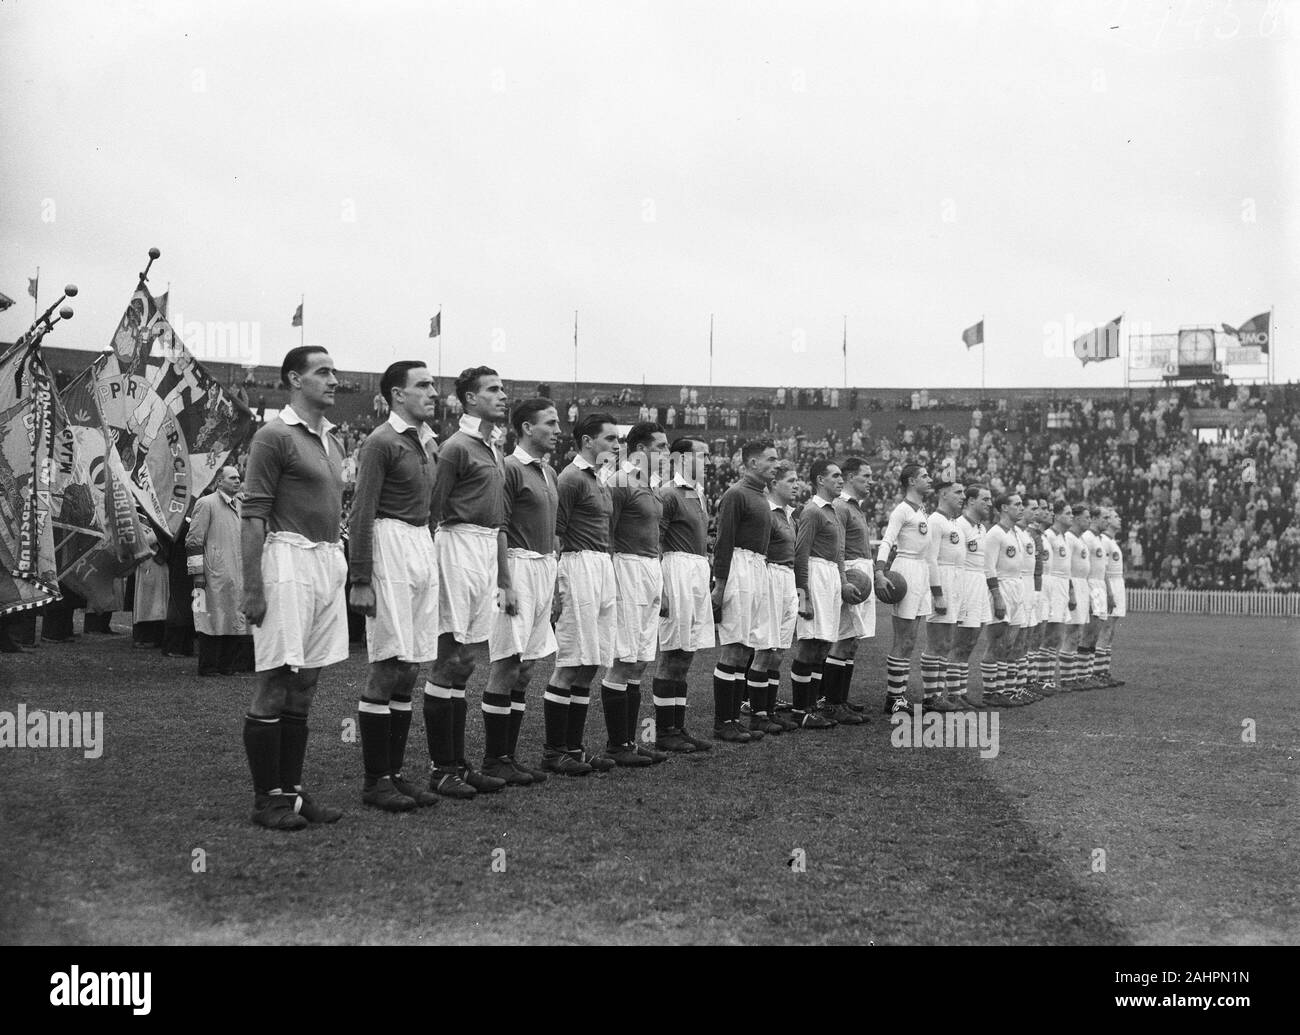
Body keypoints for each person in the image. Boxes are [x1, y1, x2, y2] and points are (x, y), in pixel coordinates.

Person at [239, 346, 348, 831]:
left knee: (306, 685)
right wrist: (252, 588)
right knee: (276, 680)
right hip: (286, 560)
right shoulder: (273, 435)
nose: (333, 380)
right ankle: (268, 800)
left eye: (334, 371)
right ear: (294, 380)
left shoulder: (333, 442)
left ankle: (292, 792)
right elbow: (253, 515)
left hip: (327, 561)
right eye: (322, 372)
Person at [346, 361, 442, 812]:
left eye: (433, 385)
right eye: (423, 385)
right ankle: (375, 780)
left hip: (420, 544)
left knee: (411, 667)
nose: (433, 392)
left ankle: (397, 774)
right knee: (388, 663)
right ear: (397, 395)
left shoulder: (428, 443)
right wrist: (361, 578)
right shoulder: (381, 441)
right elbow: (361, 512)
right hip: (389, 545)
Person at [424, 365, 511, 798]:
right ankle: (442, 768)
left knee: (468, 661)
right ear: (469, 400)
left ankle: (458, 763)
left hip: (483, 550)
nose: (502, 396)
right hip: (456, 545)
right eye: (493, 390)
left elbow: (496, 520)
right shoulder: (455, 447)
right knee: (449, 656)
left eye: (502, 389)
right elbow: (433, 509)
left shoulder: (493, 447)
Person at [484, 398, 562, 781]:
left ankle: (509, 757)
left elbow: (553, 535)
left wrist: (556, 584)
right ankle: (494, 759)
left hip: (544, 569)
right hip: (517, 568)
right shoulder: (510, 468)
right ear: (527, 428)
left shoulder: (548, 472)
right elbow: (499, 527)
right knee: (507, 663)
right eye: (550, 423)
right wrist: (504, 582)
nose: (558, 430)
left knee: (527, 668)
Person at [542, 412, 621, 775]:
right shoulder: (570, 478)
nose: (617, 447)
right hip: (577, 567)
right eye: (609, 440)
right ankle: (554, 751)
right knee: (571, 660)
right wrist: (557, 586)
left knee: (591, 661)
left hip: (602, 567)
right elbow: (556, 534)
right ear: (588, 441)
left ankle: (575, 748)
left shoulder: (601, 479)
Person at [601, 422, 670, 766]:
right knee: (623, 659)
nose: (666, 454)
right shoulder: (618, 482)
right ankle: (617, 745)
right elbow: (607, 535)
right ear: (639, 449)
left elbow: (654, 536)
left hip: (649, 569)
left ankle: (633, 741)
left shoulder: (652, 486)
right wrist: (611, 580)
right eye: (659, 447)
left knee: (642, 660)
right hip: (625, 568)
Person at [710, 440, 777, 742]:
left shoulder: (760, 495)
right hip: (738, 567)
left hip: (757, 567)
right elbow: (723, 542)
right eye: (771, 459)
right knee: (734, 646)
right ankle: (723, 722)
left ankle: (735, 718)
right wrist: (720, 585)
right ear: (752, 463)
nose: (776, 464)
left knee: (746, 647)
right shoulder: (736, 494)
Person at [653, 437, 715, 753]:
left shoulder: (698, 494)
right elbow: (657, 542)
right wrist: (661, 588)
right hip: (675, 570)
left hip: (697, 572)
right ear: (681, 458)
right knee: (671, 651)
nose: (708, 461)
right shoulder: (668, 494)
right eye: (702, 455)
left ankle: (678, 727)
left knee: (687, 652)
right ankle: (663, 732)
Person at [875, 463, 942, 713]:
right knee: (903, 638)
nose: (930, 478)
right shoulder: (901, 510)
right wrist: (880, 571)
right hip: (906, 570)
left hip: (922, 572)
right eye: (924, 476)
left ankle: (898, 696)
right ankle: (893, 699)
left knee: (912, 638)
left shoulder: (922, 510)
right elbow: (886, 541)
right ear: (911, 481)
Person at [790, 458, 847, 729]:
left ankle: (812, 707)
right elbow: (800, 555)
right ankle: (801, 710)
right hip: (815, 575)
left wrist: (842, 581)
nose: (840, 480)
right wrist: (804, 595)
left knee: (823, 644)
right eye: (835, 476)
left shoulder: (833, 511)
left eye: (841, 476)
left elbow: (839, 553)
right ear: (820, 480)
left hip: (831, 578)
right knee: (810, 643)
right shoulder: (812, 511)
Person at [748, 461, 801, 734]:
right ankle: (757, 714)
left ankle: (768, 711)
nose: (797, 485)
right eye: (791, 481)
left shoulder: (789, 514)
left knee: (778, 652)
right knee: (764, 649)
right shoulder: (766, 513)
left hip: (788, 579)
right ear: (773, 484)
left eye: (797, 480)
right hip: (769, 575)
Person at [186, 465, 251, 676]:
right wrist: (197, 574)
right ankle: (208, 666)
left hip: (236, 575)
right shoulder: (206, 504)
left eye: (239, 478)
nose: (237, 481)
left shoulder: (241, 506)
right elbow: (194, 541)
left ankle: (227, 666)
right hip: (212, 574)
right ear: (219, 481)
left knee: (233, 618)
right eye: (232, 477)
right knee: (209, 619)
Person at [825, 457, 876, 722]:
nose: (871, 481)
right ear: (849, 478)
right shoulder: (841, 507)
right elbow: (839, 548)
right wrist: (844, 579)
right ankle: (831, 702)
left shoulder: (857, 507)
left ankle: (840, 700)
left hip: (862, 573)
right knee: (844, 638)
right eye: (865, 477)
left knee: (853, 641)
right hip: (851, 575)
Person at [924, 478, 966, 707]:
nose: (962, 496)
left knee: (946, 642)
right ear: (943, 494)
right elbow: (930, 559)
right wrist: (937, 593)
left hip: (956, 582)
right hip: (942, 582)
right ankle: (931, 697)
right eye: (957, 492)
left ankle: (938, 694)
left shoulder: (955, 523)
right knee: (937, 642)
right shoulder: (935, 521)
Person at [951, 484, 992, 708]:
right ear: (970, 501)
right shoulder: (959, 526)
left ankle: (961, 691)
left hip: (979, 584)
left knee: (972, 640)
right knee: (961, 640)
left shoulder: (982, 528)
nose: (989, 503)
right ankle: (952, 694)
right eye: (985, 499)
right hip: (965, 583)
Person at [1098, 508, 1127, 687]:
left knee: (1111, 630)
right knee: (1105, 628)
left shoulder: (1112, 541)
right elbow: (1104, 570)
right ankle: (1097, 671)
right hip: (1110, 584)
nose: (1119, 519)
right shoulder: (1105, 542)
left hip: (1118, 582)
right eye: (1116, 517)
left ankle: (1103, 670)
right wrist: (1109, 591)